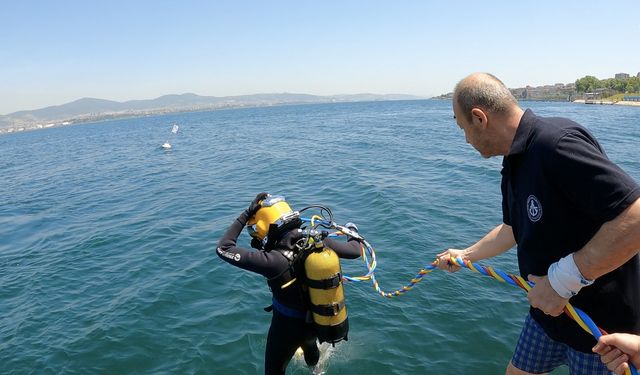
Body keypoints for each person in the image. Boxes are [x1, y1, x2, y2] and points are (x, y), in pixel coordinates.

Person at [436, 72, 640, 375]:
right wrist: (466, 255)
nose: (465, 138)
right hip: (548, 314)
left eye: (462, 126)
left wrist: (561, 281)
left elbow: (635, 215)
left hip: (600, 331)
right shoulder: (515, 159)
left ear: (479, 118)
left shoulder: (556, 144)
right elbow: (514, 228)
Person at [216, 192, 362, 375]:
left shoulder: (272, 260)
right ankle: (316, 370)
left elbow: (223, 248)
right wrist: (352, 231)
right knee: (310, 347)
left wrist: (246, 214)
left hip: (286, 329)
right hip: (315, 323)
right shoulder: (317, 241)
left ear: (266, 228)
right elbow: (356, 251)